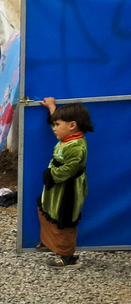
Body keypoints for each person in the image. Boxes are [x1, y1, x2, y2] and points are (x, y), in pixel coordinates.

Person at [36, 98, 92, 268]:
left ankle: (67, 257)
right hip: (55, 188)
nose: (54, 128)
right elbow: (58, 122)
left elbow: (69, 169)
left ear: (72, 125)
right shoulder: (68, 137)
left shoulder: (76, 147)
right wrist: (52, 108)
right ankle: (51, 243)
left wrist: (51, 175)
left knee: (64, 219)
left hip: (67, 191)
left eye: (57, 125)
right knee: (48, 210)